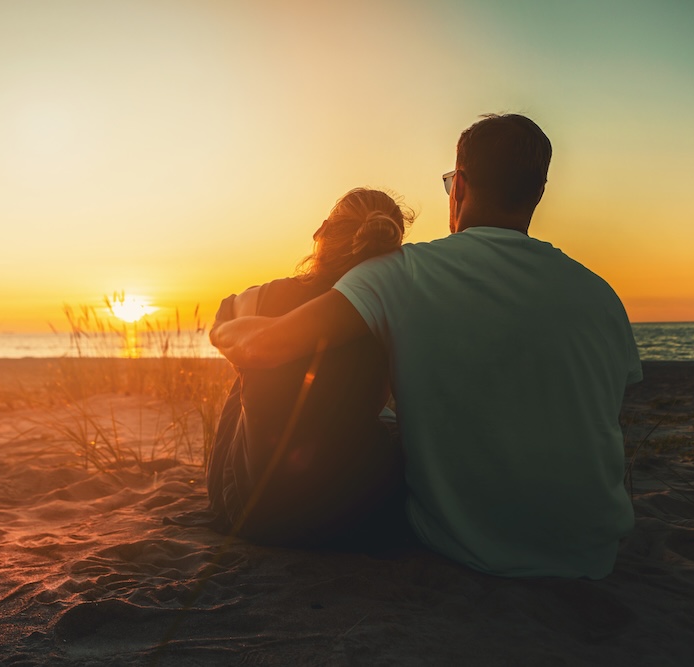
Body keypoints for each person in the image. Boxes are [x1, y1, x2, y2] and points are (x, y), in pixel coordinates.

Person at [211, 114, 642, 578]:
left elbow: (264, 349)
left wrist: (228, 325)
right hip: (593, 555)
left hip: (467, 550)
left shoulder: (403, 272)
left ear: (459, 186)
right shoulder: (602, 296)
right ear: (536, 194)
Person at [207, 188, 415, 547]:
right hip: (346, 512)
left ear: (322, 232)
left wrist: (243, 340)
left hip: (248, 508)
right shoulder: (390, 310)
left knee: (242, 384)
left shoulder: (266, 297)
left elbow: (224, 316)